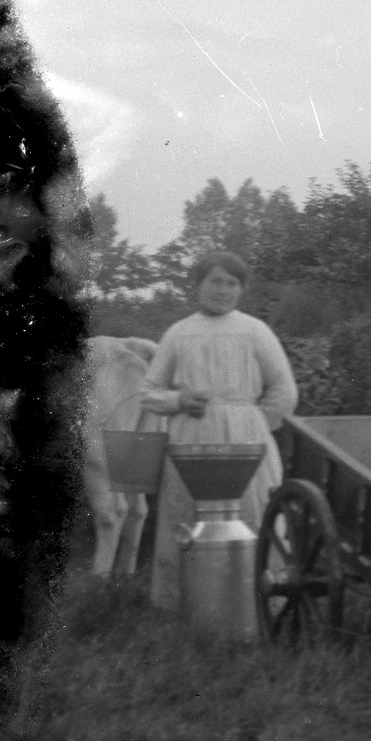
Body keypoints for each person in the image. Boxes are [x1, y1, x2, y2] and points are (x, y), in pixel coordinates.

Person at [140, 250, 298, 612]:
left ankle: (258, 602)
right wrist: (180, 401)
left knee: (252, 513)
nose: (223, 290)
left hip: (247, 442)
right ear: (197, 284)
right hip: (190, 442)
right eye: (215, 281)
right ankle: (186, 604)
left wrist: (251, 421)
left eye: (232, 283)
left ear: (241, 290)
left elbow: (284, 392)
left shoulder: (256, 331)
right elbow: (149, 394)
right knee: (189, 516)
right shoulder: (178, 334)